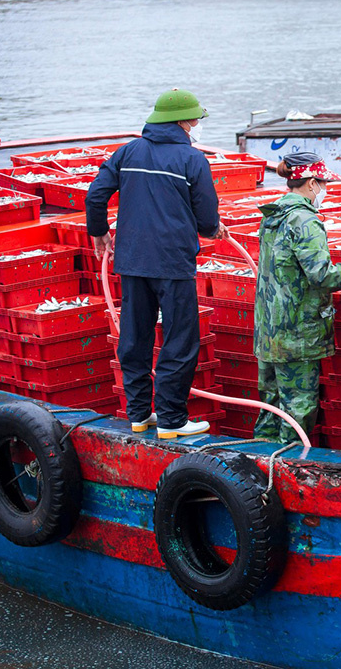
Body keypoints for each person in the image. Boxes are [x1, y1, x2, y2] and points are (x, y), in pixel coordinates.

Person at [87, 89, 227, 439]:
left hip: (132, 261)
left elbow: (95, 194)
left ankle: (138, 415)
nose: (197, 125)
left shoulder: (127, 151)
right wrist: (212, 228)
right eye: (195, 119)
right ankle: (171, 420)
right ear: (181, 121)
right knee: (180, 340)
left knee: (134, 337)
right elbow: (206, 212)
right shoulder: (192, 160)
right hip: (173, 264)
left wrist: (99, 231)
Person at [253, 152, 341, 443]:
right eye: (323, 184)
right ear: (312, 183)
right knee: (298, 412)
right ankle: (282, 473)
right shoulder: (305, 221)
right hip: (296, 337)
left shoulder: (273, 213)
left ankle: (255, 473)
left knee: (270, 408)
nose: (324, 190)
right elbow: (322, 275)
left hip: (268, 332)